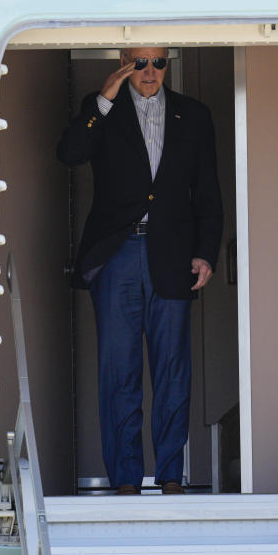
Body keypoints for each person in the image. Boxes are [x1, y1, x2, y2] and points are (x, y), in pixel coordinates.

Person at [57, 47, 223, 496]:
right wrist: (104, 99)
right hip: (117, 253)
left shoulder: (193, 114)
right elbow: (70, 154)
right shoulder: (102, 106)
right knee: (119, 372)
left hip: (172, 255)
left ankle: (171, 475)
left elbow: (207, 189)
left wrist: (206, 252)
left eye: (159, 63)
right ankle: (125, 480)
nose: (150, 72)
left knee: (173, 370)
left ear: (168, 64)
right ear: (125, 63)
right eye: (140, 63)